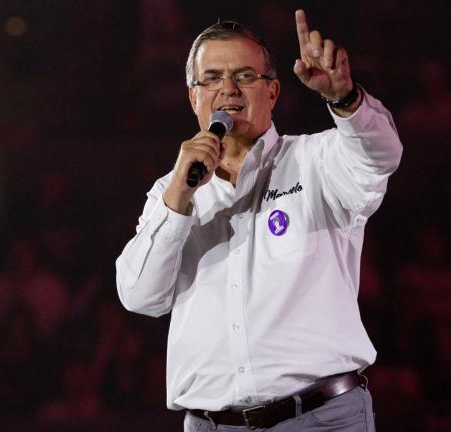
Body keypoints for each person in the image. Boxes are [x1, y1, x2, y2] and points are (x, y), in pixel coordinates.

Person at [116, 9, 402, 431]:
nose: (228, 89)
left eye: (245, 76)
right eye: (211, 78)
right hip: (213, 425)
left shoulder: (317, 162)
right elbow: (141, 296)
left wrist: (345, 99)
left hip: (321, 419)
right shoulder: (172, 192)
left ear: (273, 91)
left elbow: (381, 155)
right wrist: (179, 196)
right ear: (193, 97)